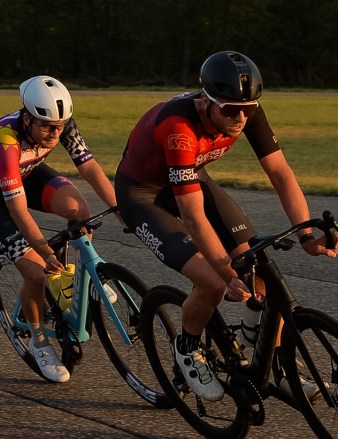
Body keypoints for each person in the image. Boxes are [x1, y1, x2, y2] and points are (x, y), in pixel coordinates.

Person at [114, 50, 336, 401]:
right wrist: (224, 271)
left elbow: (280, 173)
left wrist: (306, 234)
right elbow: (193, 217)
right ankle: (187, 349)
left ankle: (276, 366)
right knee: (213, 282)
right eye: (231, 109)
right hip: (143, 196)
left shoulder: (246, 110)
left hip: (192, 178)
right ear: (205, 101)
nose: (240, 117)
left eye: (248, 108)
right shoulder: (179, 128)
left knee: (259, 269)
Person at [0, 75, 119, 383]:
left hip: (28, 172)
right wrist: (43, 250)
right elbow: (17, 209)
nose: (55, 133)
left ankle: (72, 280)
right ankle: (38, 343)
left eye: (60, 126)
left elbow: (89, 167)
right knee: (35, 273)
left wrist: (121, 208)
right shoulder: (6, 140)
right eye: (47, 127)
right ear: (27, 118)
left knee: (80, 211)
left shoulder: (62, 124)